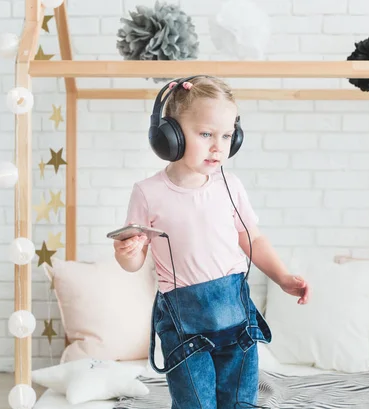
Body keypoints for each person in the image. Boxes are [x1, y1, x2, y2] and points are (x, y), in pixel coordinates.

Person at [113, 75, 310, 409]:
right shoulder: (148, 192)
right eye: (205, 134)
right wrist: (126, 252)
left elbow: (252, 239)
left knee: (239, 398)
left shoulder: (230, 186)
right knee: (195, 401)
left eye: (227, 135)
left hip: (235, 312)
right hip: (183, 320)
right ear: (170, 136)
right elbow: (133, 263)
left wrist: (283, 277)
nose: (219, 146)